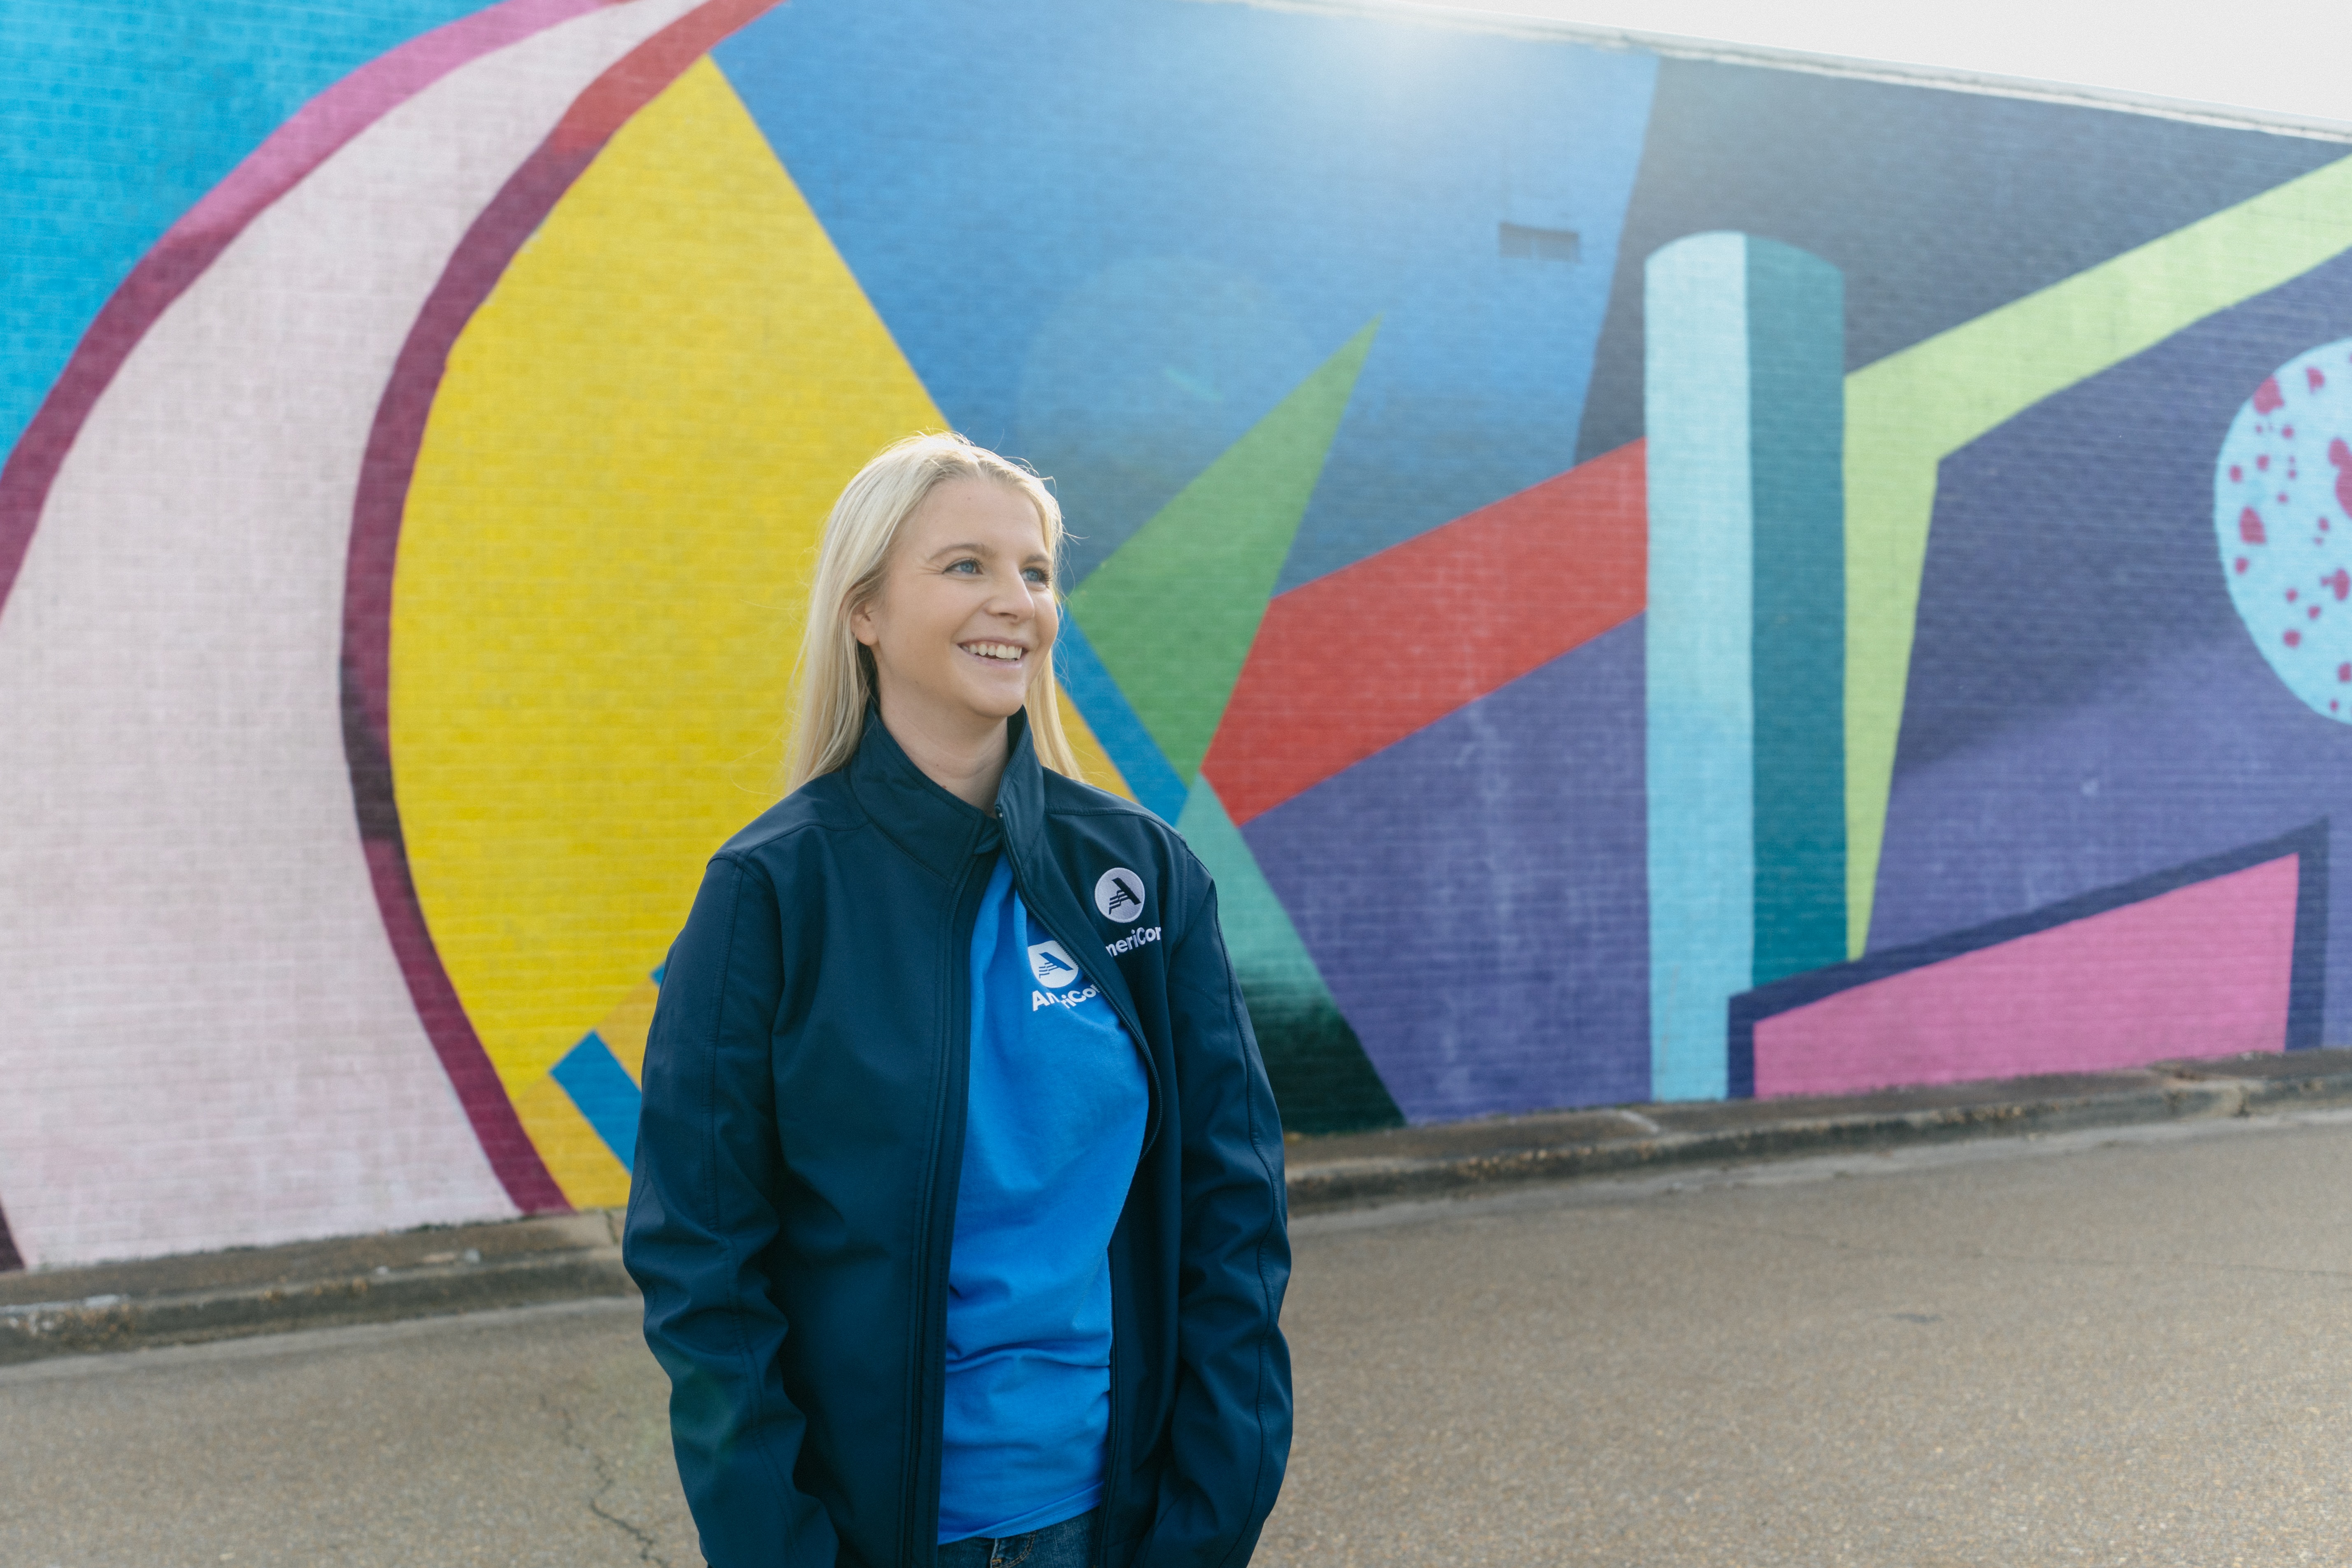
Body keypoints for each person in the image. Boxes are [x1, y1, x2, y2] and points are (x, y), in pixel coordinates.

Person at [623, 432, 1293, 1568]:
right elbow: (703, 1260)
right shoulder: (771, 893)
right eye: (965, 566)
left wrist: (1210, 1510)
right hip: (878, 1532)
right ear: (866, 611)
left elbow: (1233, 1215)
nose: (1016, 602)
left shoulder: (1141, 873)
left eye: (1034, 571)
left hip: (1115, 1520)